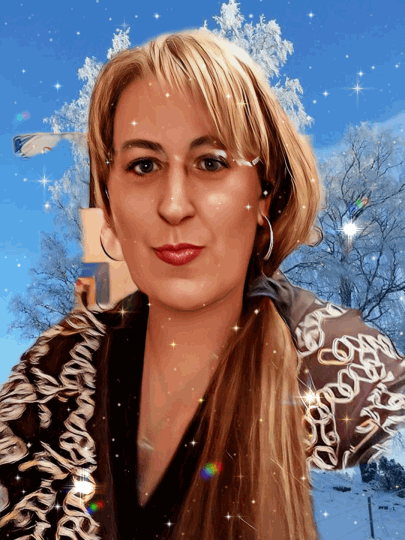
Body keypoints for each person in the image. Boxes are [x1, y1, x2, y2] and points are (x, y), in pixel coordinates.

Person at [1, 29, 405, 540]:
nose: (174, 205)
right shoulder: (47, 386)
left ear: (265, 193)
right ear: (109, 202)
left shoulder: (354, 387)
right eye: (143, 165)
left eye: (211, 163)